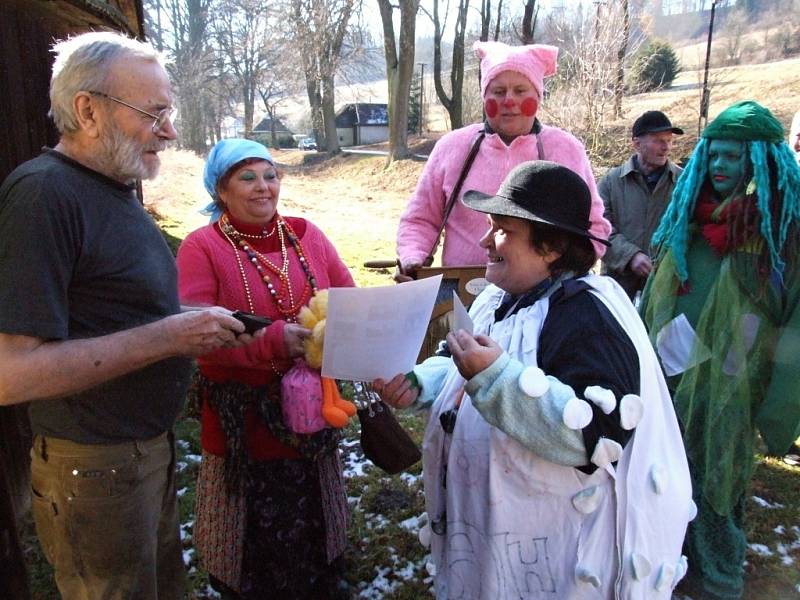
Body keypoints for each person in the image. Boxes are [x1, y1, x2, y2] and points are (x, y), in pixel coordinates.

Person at [0, 32, 249, 599]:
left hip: (139, 455)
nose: (170, 131)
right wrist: (169, 335)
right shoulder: (43, 196)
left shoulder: (111, 189)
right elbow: (10, 373)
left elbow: (114, 314)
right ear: (88, 111)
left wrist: (199, 324)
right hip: (94, 468)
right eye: (154, 112)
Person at [375, 161, 692, 599]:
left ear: (552, 247)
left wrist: (496, 379)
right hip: (493, 525)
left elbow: (595, 438)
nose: (485, 241)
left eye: (502, 230)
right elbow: (461, 354)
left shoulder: (586, 318)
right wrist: (422, 382)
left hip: (553, 549)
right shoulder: (502, 297)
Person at [176, 138, 355, 599]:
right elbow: (195, 336)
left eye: (270, 175)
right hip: (244, 425)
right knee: (252, 559)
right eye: (247, 177)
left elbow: (350, 297)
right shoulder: (203, 247)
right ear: (221, 190)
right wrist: (273, 341)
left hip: (311, 413)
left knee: (315, 543)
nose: (263, 187)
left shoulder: (306, 234)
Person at [641, 100, 800, 600]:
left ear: (762, 161)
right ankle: (666, 563)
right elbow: (655, 297)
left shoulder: (783, 231)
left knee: (717, 480)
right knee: (662, 473)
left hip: (734, 381)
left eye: (734, 156)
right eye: (714, 155)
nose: (719, 166)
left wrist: (780, 406)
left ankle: (716, 577)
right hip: (670, 371)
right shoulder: (687, 219)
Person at [395, 41, 611, 278]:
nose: (509, 101)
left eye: (520, 91)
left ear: (538, 96)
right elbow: (420, 219)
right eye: (498, 91)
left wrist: (564, 271)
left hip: (546, 296)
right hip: (461, 291)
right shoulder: (452, 147)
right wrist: (413, 258)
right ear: (484, 96)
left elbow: (594, 228)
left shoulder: (566, 149)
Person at [599, 110, 684, 298]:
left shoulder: (683, 182)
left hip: (666, 287)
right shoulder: (611, 182)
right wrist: (630, 256)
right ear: (637, 144)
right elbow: (599, 228)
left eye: (669, 140)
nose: (666, 147)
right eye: (658, 141)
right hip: (618, 287)